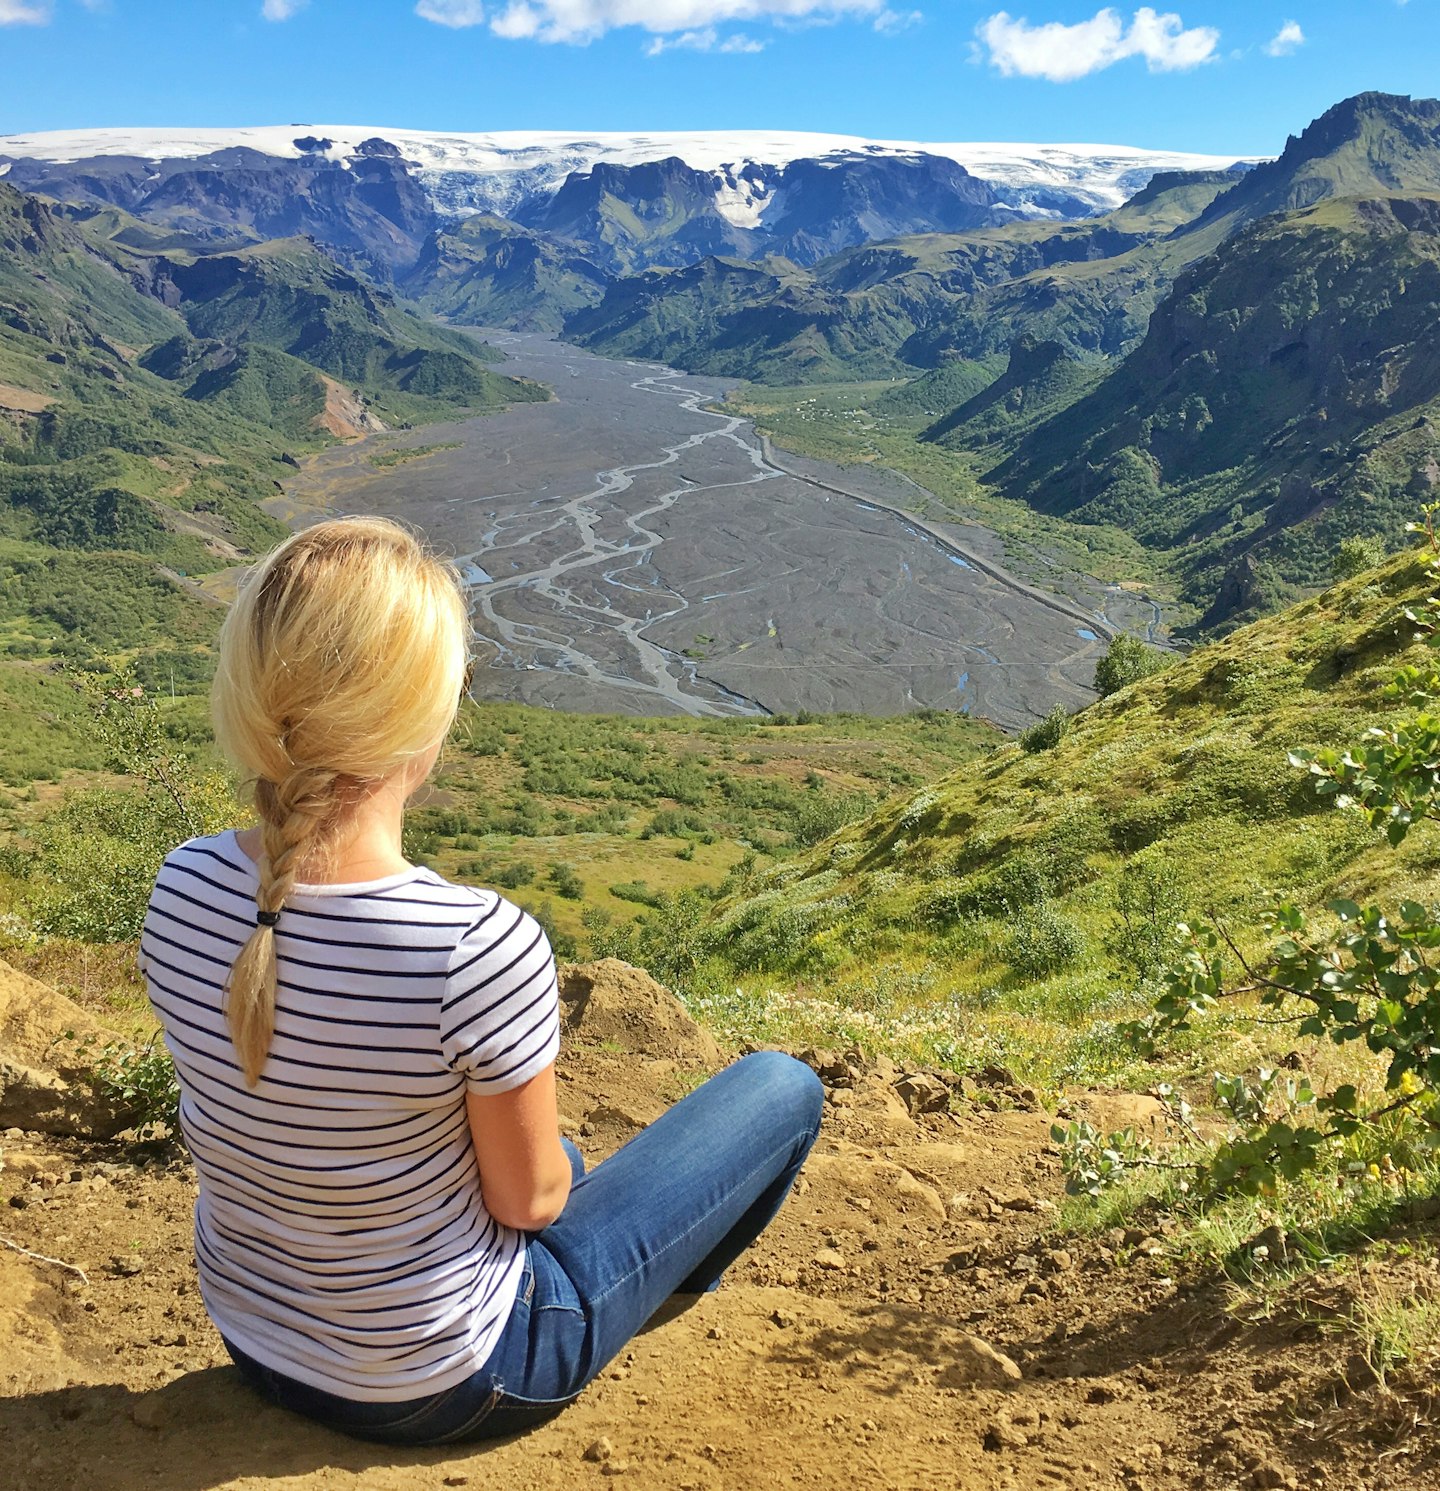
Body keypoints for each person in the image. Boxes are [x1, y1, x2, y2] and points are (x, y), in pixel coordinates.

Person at [138, 516, 824, 1446]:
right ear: (422, 718)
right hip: (445, 1377)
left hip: (256, 1340)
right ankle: (646, 1299)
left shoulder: (181, 883)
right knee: (781, 1086)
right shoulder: (474, 944)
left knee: (564, 1161)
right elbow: (526, 1205)